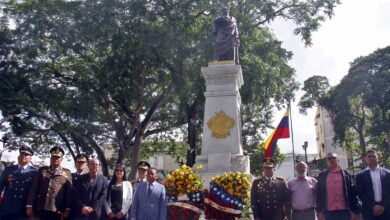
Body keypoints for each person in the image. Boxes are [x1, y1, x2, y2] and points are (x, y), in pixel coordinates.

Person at [26, 146, 72, 220]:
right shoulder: (42, 170)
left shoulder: (67, 173)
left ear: (61, 159)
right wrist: (29, 206)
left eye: (58, 157)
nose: (55, 159)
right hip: (41, 207)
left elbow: (69, 193)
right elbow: (34, 189)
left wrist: (67, 209)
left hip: (57, 209)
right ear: (50, 158)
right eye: (54, 157)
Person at [316, 152, 360, 220]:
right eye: (329, 159)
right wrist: (319, 211)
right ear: (327, 161)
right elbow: (319, 194)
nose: (331, 160)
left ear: (338, 160)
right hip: (328, 212)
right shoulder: (322, 176)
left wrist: (354, 211)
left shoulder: (346, 174)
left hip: (345, 212)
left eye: (333, 158)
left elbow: (353, 193)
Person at [0, 146, 38, 220]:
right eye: (22, 154)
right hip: (6, 208)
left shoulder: (34, 172)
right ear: (18, 156)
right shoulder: (9, 170)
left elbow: (35, 191)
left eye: (26, 155)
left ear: (30, 158)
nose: (23, 156)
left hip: (22, 209)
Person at [356, 150, 390, 220]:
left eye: (374, 156)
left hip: (386, 210)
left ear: (378, 158)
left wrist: (383, 206)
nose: (371, 158)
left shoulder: (387, 173)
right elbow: (360, 193)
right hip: (369, 211)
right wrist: (373, 206)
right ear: (365, 159)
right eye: (369, 156)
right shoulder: (360, 175)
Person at [70, 154, 89, 220]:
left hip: (82, 210)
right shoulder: (70, 176)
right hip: (71, 208)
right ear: (75, 163)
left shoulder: (89, 178)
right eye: (78, 162)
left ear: (86, 164)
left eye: (82, 162)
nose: (80, 164)